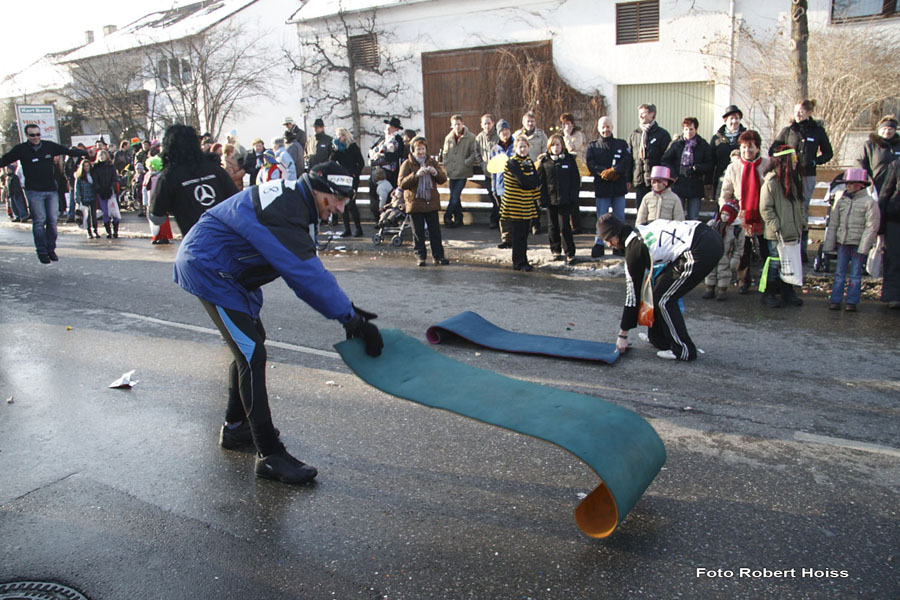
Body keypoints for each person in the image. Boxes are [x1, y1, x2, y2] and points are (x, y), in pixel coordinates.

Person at [173, 162, 383, 485]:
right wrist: (350, 319)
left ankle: (235, 428)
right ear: (316, 189)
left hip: (228, 268)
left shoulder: (295, 203)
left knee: (251, 342)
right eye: (336, 199)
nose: (340, 207)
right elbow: (304, 275)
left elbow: (307, 266)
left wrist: (349, 310)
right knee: (251, 353)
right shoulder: (284, 209)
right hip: (210, 267)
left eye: (346, 200)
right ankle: (269, 455)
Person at [597, 213, 723, 361]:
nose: (609, 245)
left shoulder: (634, 251)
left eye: (609, 240)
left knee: (665, 299)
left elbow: (632, 296)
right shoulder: (639, 231)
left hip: (702, 246)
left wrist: (622, 335)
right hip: (703, 235)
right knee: (659, 290)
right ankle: (658, 339)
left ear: (617, 234)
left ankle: (684, 350)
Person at [0, 124, 88, 262]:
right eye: (32, 135)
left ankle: (51, 249)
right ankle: (41, 251)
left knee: (52, 221)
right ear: (27, 136)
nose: (36, 138)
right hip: (34, 191)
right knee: (39, 220)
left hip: (51, 189)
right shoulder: (21, 149)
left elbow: (68, 151)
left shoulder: (49, 146)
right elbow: (5, 159)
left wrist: (87, 153)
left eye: (38, 134)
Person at [770, 99, 833, 263]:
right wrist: (786, 155)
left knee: (802, 209)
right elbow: (773, 149)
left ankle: (802, 248)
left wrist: (814, 161)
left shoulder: (817, 131)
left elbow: (828, 153)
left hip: (807, 175)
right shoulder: (788, 131)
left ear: (809, 113)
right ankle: (787, 244)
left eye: (801, 111)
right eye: (796, 111)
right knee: (788, 207)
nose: (798, 114)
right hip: (789, 175)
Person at [149, 124, 239, 237]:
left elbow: (156, 217)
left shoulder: (170, 175)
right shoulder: (214, 168)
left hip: (197, 242)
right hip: (227, 237)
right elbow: (237, 201)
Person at [823, 168, 880, 312]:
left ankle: (851, 301)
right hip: (843, 242)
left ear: (860, 184)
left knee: (855, 274)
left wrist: (864, 247)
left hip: (858, 243)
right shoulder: (842, 200)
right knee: (839, 273)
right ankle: (835, 300)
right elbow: (834, 223)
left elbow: (871, 227)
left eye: (850, 183)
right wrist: (829, 244)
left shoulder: (869, 202)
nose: (847, 186)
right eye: (846, 183)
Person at [719, 130, 767, 294]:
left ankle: (767, 280)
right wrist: (726, 213)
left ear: (757, 148)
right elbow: (725, 193)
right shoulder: (734, 167)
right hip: (742, 212)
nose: (747, 151)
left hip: (762, 212)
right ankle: (743, 280)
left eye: (750, 147)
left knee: (766, 248)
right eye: (744, 147)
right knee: (743, 250)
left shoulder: (765, 165)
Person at [759, 146, 807, 308]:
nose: (795, 162)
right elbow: (766, 208)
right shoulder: (771, 183)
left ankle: (788, 292)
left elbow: (800, 204)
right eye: (791, 159)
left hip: (793, 230)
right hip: (777, 233)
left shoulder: (794, 182)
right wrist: (776, 227)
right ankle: (769, 293)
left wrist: (802, 223)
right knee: (775, 262)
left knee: (791, 262)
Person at [398, 136, 450, 267]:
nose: (421, 152)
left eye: (422, 149)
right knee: (418, 233)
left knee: (435, 232)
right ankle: (420, 257)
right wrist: (415, 175)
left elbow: (443, 179)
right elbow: (401, 183)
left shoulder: (431, 161)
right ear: (413, 150)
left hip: (430, 201)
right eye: (418, 149)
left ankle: (439, 256)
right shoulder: (407, 164)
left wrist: (435, 173)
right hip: (415, 202)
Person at [586, 116, 633, 258]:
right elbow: (590, 163)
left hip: (618, 187)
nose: (605, 129)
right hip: (602, 188)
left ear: (612, 127)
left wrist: (615, 170)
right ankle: (599, 244)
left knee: (619, 217)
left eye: (608, 126)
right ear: (599, 128)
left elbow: (627, 160)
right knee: (602, 218)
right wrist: (603, 172)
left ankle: (620, 244)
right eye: (603, 127)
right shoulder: (593, 146)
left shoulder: (621, 144)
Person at [500, 135, 541, 271]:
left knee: (524, 234)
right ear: (515, 148)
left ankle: (524, 260)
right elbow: (523, 182)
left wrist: (530, 182)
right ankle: (518, 262)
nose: (522, 149)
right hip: (515, 204)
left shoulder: (529, 162)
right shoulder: (512, 163)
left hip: (527, 204)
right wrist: (530, 182)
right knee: (518, 235)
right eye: (520, 147)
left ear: (528, 147)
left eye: (525, 146)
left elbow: (536, 181)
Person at [537, 134, 579, 264]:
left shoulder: (569, 160)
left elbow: (575, 180)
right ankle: (555, 250)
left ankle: (569, 252)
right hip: (551, 199)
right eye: (553, 145)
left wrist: (573, 197)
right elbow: (540, 182)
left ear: (562, 146)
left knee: (565, 226)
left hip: (565, 199)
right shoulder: (545, 162)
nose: (556, 148)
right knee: (552, 226)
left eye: (558, 145)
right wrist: (541, 199)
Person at [662, 117, 714, 220]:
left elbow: (710, 164)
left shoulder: (703, 144)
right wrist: (673, 174)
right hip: (678, 183)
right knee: (677, 216)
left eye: (691, 129)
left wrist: (699, 168)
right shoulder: (676, 144)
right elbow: (665, 160)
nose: (688, 132)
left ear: (696, 129)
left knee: (693, 217)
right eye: (686, 129)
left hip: (695, 184)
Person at [628, 103, 671, 214]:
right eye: (639, 114)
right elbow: (629, 158)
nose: (641, 116)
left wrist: (662, 179)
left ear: (652, 114)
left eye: (644, 114)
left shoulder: (662, 134)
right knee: (641, 210)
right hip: (639, 179)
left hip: (655, 180)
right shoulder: (634, 134)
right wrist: (629, 178)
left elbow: (667, 158)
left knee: (655, 211)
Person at [513, 111, 548, 235]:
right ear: (523, 123)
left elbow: (545, 150)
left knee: (535, 199)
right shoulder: (517, 135)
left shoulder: (541, 135)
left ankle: (535, 224)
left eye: (532, 121)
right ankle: (525, 224)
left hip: (536, 170)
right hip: (522, 170)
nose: (530, 123)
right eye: (528, 121)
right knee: (523, 199)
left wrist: (539, 161)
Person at [440, 114, 478, 228]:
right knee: (454, 196)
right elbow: (445, 153)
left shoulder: (471, 137)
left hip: (463, 171)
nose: (457, 127)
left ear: (462, 124)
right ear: (452, 125)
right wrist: (446, 162)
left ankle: (447, 216)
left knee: (455, 196)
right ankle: (458, 219)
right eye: (455, 124)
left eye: (459, 124)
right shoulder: (449, 137)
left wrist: (467, 162)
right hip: (452, 171)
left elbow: (474, 153)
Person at [702, 200, 741, 301]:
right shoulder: (713, 224)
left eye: (727, 215)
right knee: (710, 270)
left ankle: (722, 290)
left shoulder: (737, 229)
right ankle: (709, 288)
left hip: (726, 254)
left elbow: (739, 247)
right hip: (712, 252)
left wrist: (735, 259)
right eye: (723, 213)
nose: (724, 216)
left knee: (724, 272)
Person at [330, 127, 365, 237]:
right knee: (342, 203)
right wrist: (334, 149)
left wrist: (355, 173)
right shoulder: (338, 150)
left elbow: (361, 162)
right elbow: (331, 161)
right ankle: (347, 229)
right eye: (337, 136)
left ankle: (358, 228)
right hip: (342, 179)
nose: (338, 138)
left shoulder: (353, 147)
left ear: (345, 136)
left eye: (340, 136)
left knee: (350, 203)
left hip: (352, 178)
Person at [368, 117, 405, 220]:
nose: (389, 128)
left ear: (396, 129)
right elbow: (371, 150)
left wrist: (382, 157)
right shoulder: (382, 138)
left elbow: (396, 156)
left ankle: (388, 219)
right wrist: (374, 155)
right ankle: (376, 217)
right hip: (376, 170)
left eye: (392, 127)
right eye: (388, 126)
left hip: (388, 172)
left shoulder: (398, 140)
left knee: (387, 197)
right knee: (374, 194)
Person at [856, 115, 900, 195]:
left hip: (896, 189)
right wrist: (867, 181)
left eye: (890, 129)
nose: (887, 132)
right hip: (875, 187)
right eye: (884, 129)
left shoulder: (898, 145)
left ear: (895, 131)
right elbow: (859, 163)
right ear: (879, 130)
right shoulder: (869, 145)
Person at [710, 105, 747, 199]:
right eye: (731, 118)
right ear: (725, 120)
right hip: (721, 179)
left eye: (737, 118)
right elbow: (711, 161)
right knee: (723, 206)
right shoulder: (716, 138)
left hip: (741, 178)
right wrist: (708, 183)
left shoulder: (746, 136)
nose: (734, 121)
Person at [490, 119, 516, 247]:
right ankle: (506, 238)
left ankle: (517, 237)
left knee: (516, 214)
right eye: (502, 131)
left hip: (515, 186)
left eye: (506, 130)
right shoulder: (495, 149)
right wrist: (493, 188)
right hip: (501, 186)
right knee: (504, 214)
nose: (504, 133)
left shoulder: (516, 146)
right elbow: (493, 171)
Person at [879, 159, 900, 308]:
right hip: (896, 218)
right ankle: (893, 296)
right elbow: (885, 192)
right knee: (894, 258)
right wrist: (880, 227)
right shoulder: (896, 165)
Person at [474, 114, 499, 229]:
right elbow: (477, 153)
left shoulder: (498, 135)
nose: (487, 125)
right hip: (488, 173)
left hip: (499, 172)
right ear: (481, 125)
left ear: (493, 123)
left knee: (498, 197)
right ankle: (495, 219)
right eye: (485, 123)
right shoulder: (479, 138)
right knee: (492, 196)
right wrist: (482, 164)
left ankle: (496, 219)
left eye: (489, 123)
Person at [143, 156, 173, 245]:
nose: (151, 167)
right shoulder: (147, 175)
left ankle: (164, 237)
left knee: (163, 221)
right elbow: (144, 189)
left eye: (153, 166)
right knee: (153, 222)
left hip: (161, 200)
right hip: (150, 201)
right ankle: (155, 236)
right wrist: (145, 201)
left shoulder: (162, 175)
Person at [91, 150, 120, 239]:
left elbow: (114, 179)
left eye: (103, 155)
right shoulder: (96, 168)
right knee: (105, 212)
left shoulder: (111, 167)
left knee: (114, 211)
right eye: (100, 155)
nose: (101, 157)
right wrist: (99, 189)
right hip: (101, 193)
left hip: (111, 192)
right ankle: (108, 232)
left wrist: (111, 188)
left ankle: (115, 231)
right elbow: (94, 181)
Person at [74, 159, 99, 239]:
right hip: (84, 198)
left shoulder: (93, 175)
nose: (86, 167)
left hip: (93, 197)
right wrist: (77, 199)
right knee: (87, 216)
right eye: (85, 166)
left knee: (94, 216)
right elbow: (77, 188)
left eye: (88, 166)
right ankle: (89, 232)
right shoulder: (79, 177)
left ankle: (95, 230)